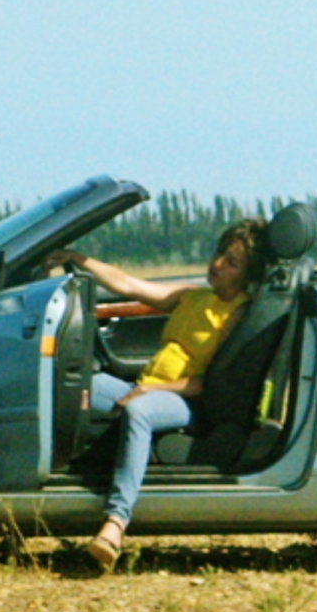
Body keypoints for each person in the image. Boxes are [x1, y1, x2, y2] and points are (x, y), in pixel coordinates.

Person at [50, 216, 271, 570]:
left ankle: (115, 523)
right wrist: (78, 259)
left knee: (141, 412)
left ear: (248, 274)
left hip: (187, 401)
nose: (216, 265)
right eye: (218, 253)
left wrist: (150, 391)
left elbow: (205, 384)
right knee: (69, 382)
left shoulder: (239, 312)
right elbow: (129, 286)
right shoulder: (194, 296)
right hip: (147, 387)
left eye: (232, 263)